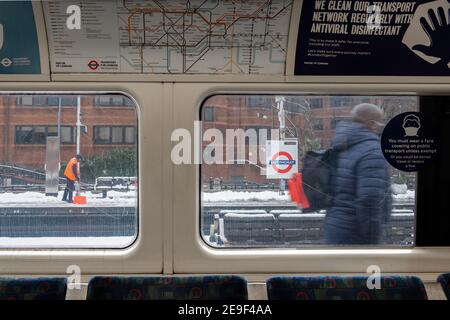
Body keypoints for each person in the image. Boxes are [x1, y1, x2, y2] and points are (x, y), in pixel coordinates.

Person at [325, 103, 392, 245]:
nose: (382, 126)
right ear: (371, 124)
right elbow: (369, 200)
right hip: (357, 233)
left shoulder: (340, 145)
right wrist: (372, 238)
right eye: (381, 122)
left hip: (335, 226)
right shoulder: (372, 151)